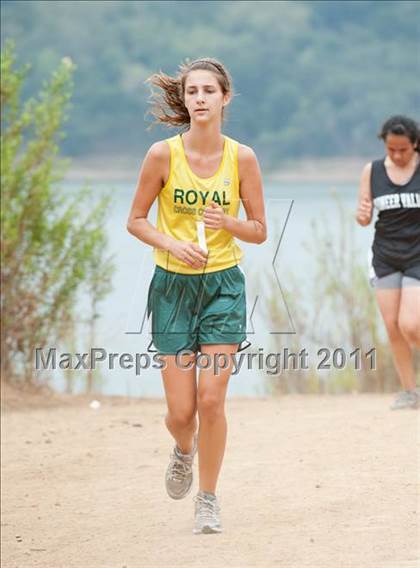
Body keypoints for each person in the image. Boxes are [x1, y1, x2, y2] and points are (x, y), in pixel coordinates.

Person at [127, 58, 266, 533]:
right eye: (193, 91)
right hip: (171, 288)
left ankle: (208, 498)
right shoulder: (162, 155)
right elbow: (137, 219)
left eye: (209, 90)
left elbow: (260, 230)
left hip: (224, 286)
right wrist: (172, 243)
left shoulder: (241, 158)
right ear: (184, 100)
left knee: (211, 400)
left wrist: (228, 223)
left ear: (225, 98)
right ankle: (183, 450)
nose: (200, 98)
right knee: (181, 413)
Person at [356, 115, 420, 410]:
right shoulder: (373, 170)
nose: (396, 155)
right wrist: (362, 213)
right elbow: (363, 216)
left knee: (411, 324)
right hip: (385, 255)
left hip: (417, 254)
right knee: (393, 326)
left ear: (414, 144)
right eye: (391, 149)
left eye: (403, 150)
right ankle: (410, 391)